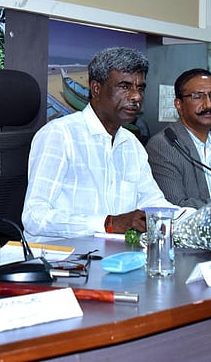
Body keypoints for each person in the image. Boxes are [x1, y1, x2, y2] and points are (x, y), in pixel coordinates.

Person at [22, 47, 178, 242]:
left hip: (115, 257)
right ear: (96, 89)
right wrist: (108, 223)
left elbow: (153, 203)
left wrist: (197, 219)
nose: (136, 97)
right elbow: (34, 217)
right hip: (60, 260)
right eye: (124, 86)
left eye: (140, 88)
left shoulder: (131, 144)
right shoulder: (60, 135)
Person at [146, 68, 211, 208]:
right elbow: (176, 205)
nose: (208, 104)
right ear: (179, 104)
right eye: (197, 96)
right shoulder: (164, 145)